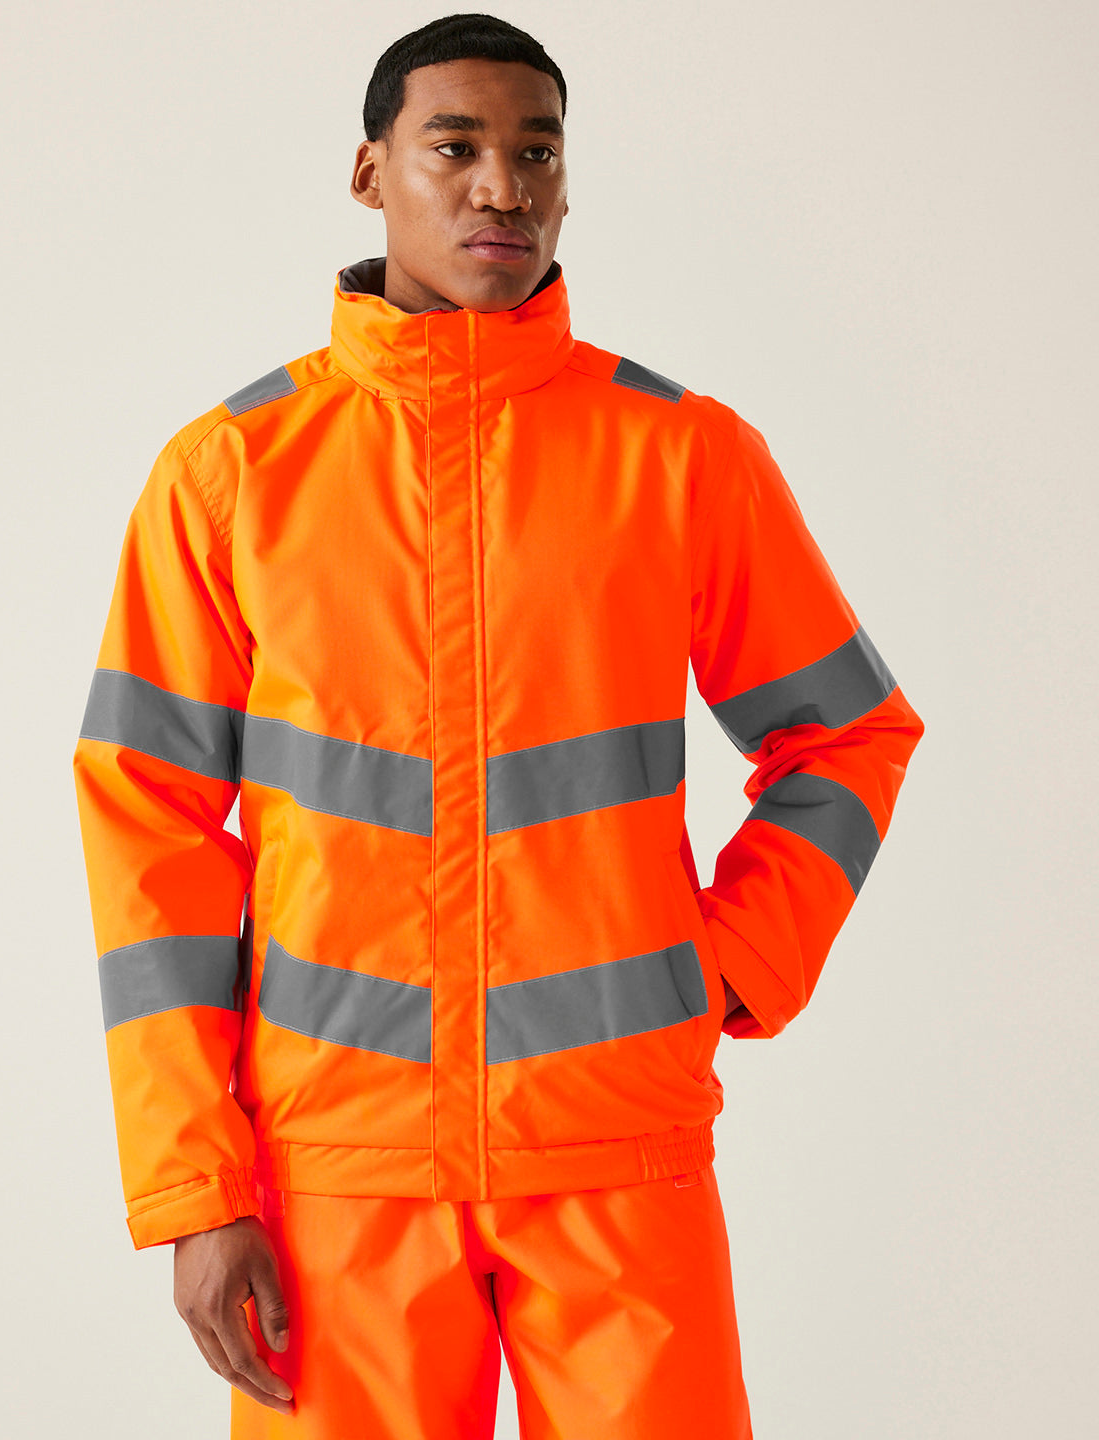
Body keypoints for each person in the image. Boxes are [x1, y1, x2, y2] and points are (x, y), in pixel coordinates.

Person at [73, 12, 925, 1438]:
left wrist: (724, 967)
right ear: (370, 171)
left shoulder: (682, 456)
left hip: (616, 1152)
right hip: (339, 1170)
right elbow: (144, 823)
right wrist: (195, 1191)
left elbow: (851, 734)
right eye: (455, 145)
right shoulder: (233, 474)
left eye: (538, 152)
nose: (502, 187)